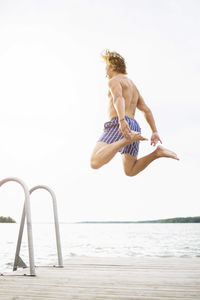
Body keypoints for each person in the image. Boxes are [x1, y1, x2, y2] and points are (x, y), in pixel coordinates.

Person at [90, 50, 179, 176]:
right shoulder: (133, 86)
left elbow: (118, 98)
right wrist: (154, 131)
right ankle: (157, 153)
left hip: (120, 124)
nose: (105, 73)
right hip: (134, 126)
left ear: (112, 66)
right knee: (130, 170)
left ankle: (126, 140)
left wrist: (121, 120)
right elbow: (146, 110)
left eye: (106, 68)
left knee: (95, 162)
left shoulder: (114, 80)